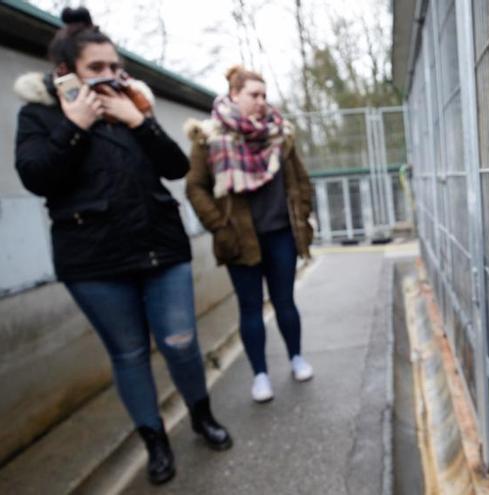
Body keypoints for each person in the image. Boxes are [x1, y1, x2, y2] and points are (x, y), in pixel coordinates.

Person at [13, 7, 232, 485]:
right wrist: (75, 125)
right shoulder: (39, 115)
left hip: (160, 246)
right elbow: (37, 176)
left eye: (114, 67)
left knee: (180, 340)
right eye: (97, 69)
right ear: (65, 71)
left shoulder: (133, 106)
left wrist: (141, 121)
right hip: (93, 261)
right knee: (130, 354)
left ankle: (201, 415)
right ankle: (155, 440)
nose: (110, 77)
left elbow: (175, 167)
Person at [185, 66, 315, 404]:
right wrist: (219, 224)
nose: (261, 102)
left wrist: (300, 213)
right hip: (239, 240)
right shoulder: (209, 137)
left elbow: (300, 180)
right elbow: (195, 187)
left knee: (285, 302)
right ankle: (260, 375)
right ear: (233, 95)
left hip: (280, 234)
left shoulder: (280, 135)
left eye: (264, 95)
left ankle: (296, 358)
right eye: (253, 95)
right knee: (250, 308)